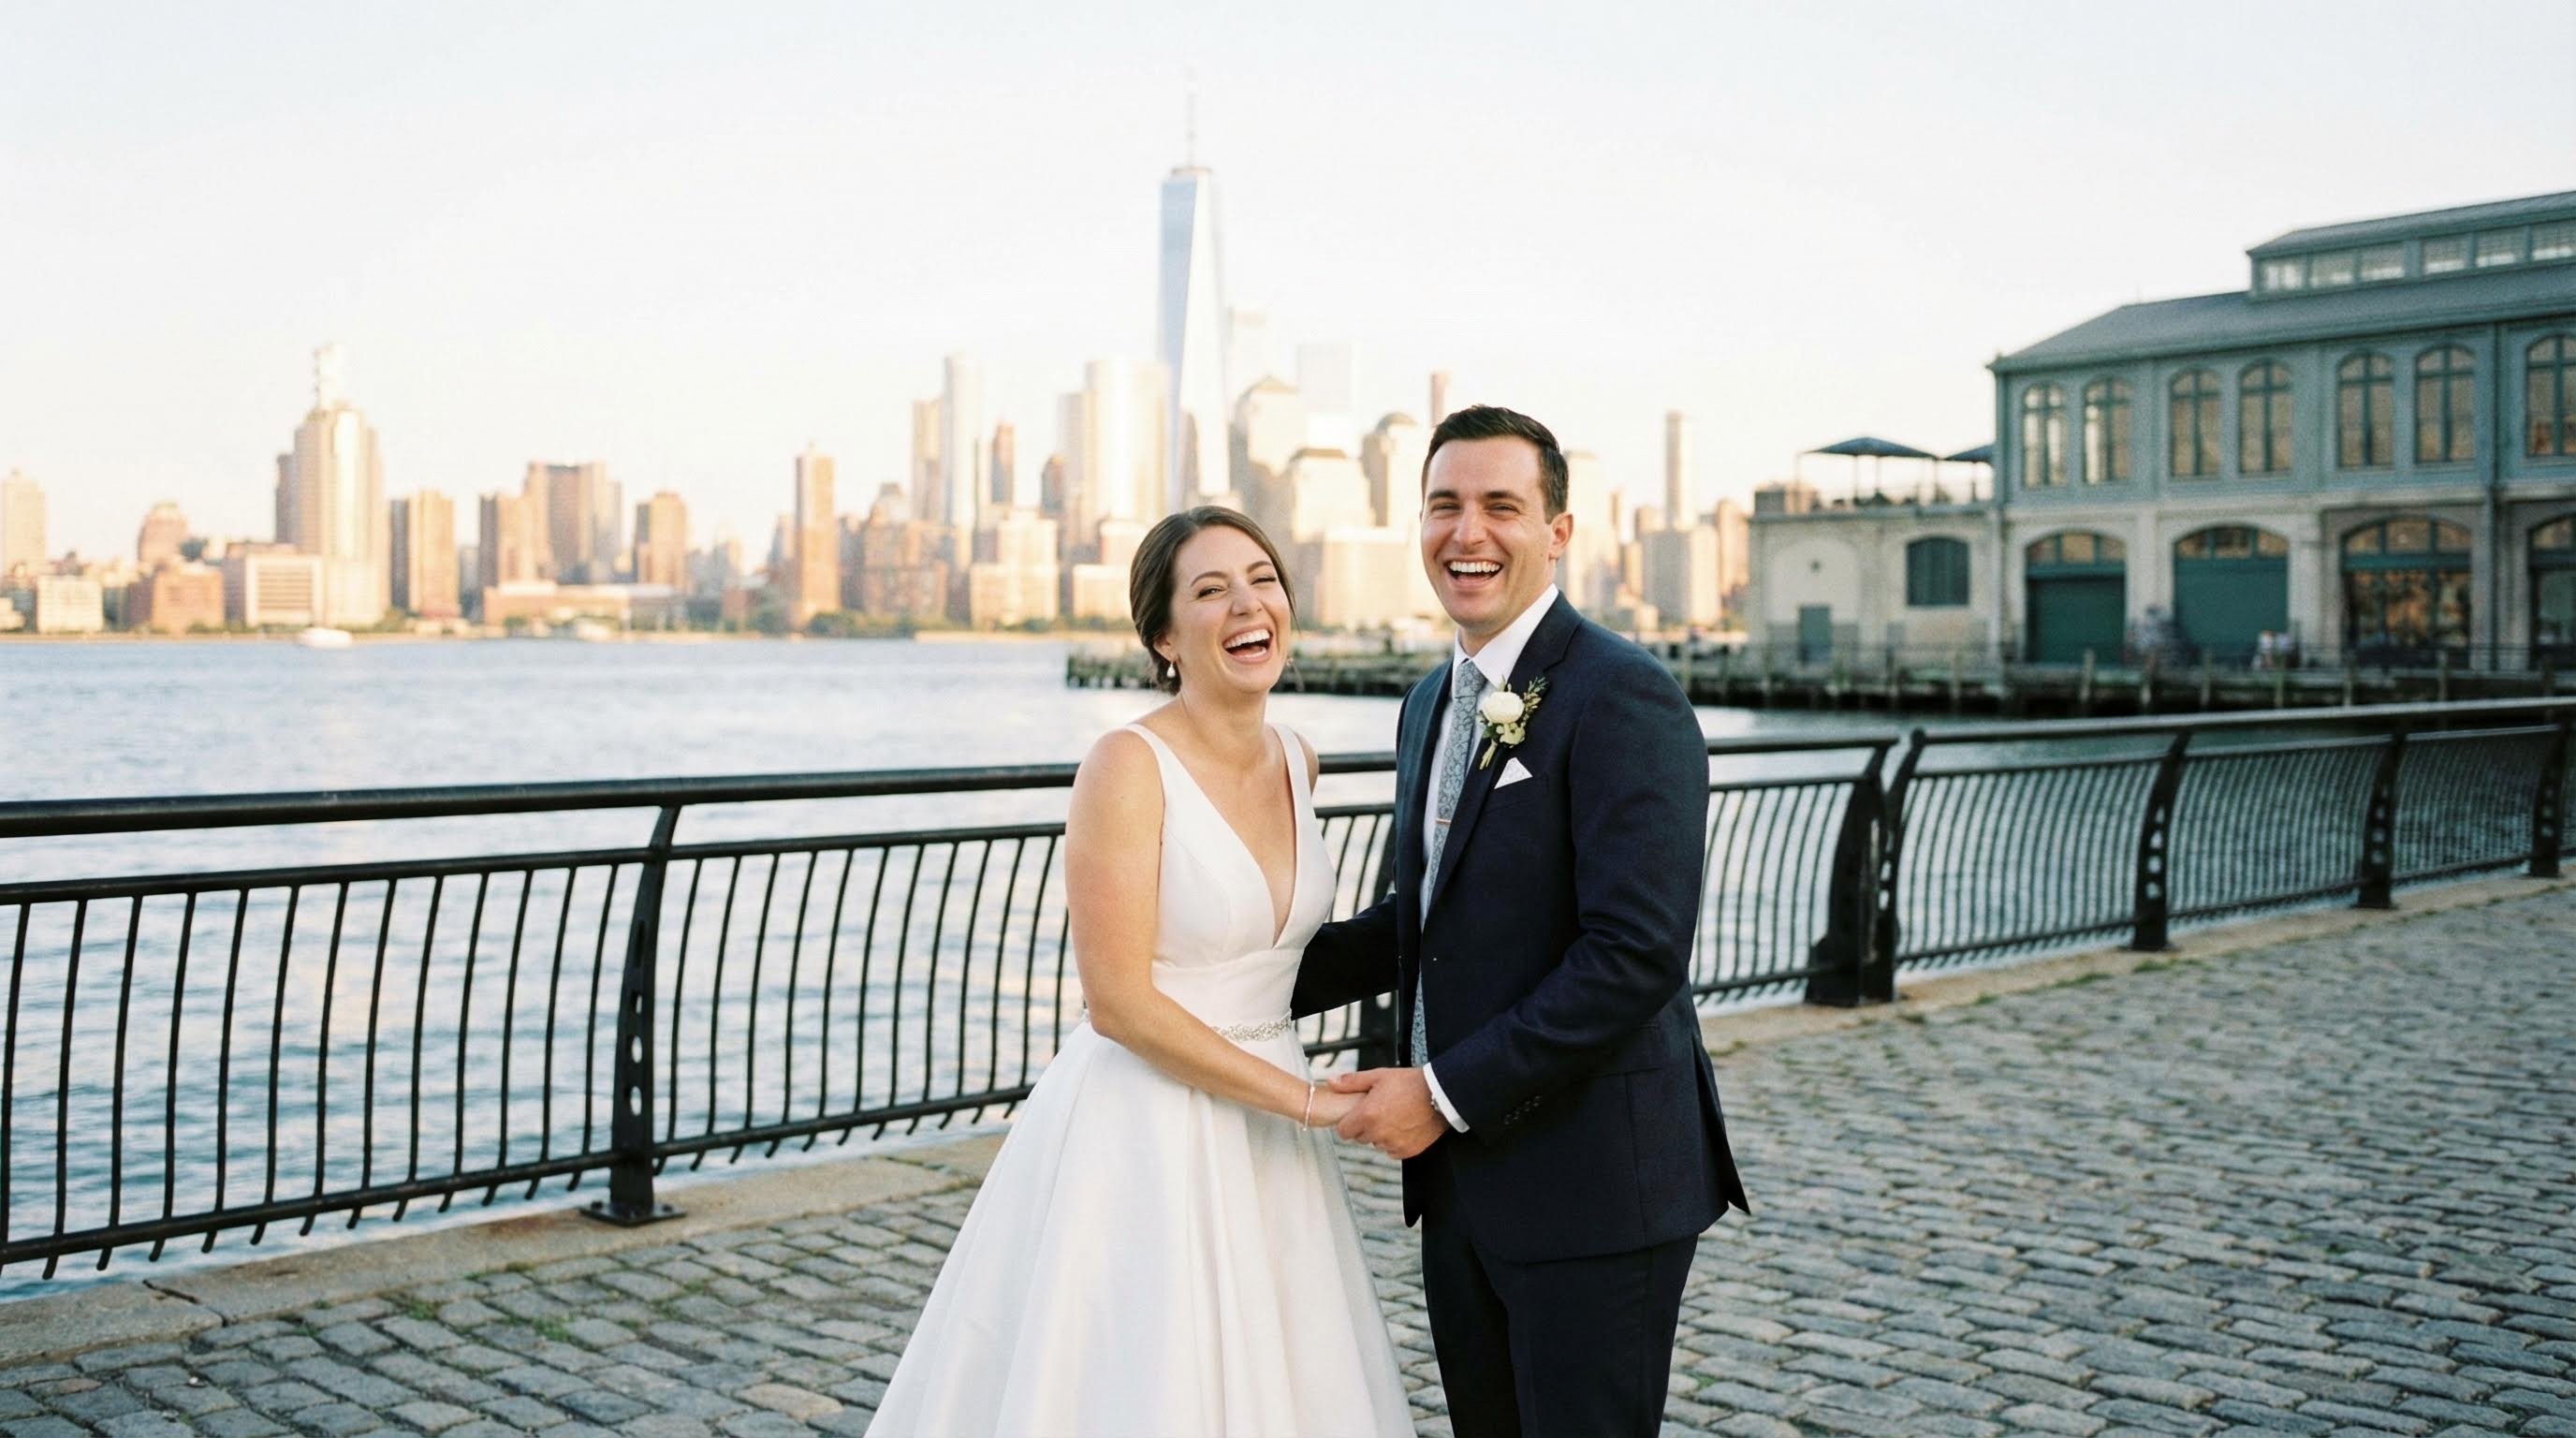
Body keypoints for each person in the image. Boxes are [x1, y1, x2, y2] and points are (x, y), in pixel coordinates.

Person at [866, 506, 1412, 1438]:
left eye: (1262, 578)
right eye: (1210, 590)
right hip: (1147, 1127)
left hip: (1268, 1136)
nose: (1248, 603)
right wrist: (1314, 1101)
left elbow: (1280, 956)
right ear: (1165, 637)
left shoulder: (1297, 759)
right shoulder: (1125, 766)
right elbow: (1117, 1002)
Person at [1295, 405, 1750, 1438]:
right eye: (1443, 506)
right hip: (1462, 1188)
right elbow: (1424, 917)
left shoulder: (1623, 696)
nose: (1468, 533)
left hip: (1594, 1188)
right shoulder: (1429, 702)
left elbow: (1632, 959)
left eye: (1502, 506)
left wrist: (1439, 1096)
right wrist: (1224, 976)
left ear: (1557, 532)